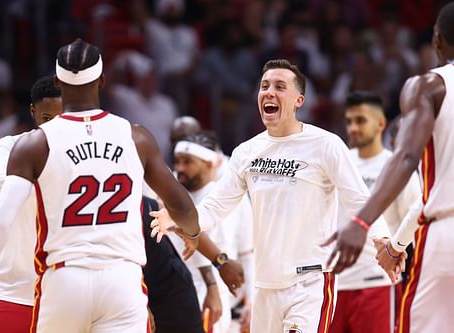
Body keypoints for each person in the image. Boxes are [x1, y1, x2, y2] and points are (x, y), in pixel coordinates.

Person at [0, 38, 200, 332]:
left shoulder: (35, 144)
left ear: (59, 82)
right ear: (101, 80)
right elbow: (182, 205)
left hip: (64, 277)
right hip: (121, 279)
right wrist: (193, 231)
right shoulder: (135, 137)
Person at [152, 59, 387, 332]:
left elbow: (359, 199)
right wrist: (179, 217)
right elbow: (215, 207)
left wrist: (381, 237)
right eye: (264, 86)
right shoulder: (246, 152)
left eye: (279, 86)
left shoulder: (326, 145)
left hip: (308, 283)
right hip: (265, 286)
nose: (269, 92)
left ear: (299, 100)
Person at [327, 3, 454, 332]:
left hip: (446, 233)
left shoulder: (430, 85)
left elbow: (407, 158)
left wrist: (361, 222)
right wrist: (397, 244)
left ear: (437, 41)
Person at [0, 76, 62, 333]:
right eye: (46, 118)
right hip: (7, 293)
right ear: (33, 111)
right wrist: (50, 183)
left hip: (62, 297)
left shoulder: (80, 155)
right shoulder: (10, 146)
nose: (54, 127)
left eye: (61, 118)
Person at [329, 91, 420, 333]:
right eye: (349, 121)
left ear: (380, 124)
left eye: (360, 120)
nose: (353, 128)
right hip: (335, 283)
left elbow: (414, 219)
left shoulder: (398, 167)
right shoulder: (338, 161)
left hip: (378, 282)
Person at [172, 132, 254, 333]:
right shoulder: (171, 194)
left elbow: (248, 253)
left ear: (210, 164)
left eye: (188, 162)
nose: (179, 168)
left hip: (211, 295)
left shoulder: (233, 197)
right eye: (178, 161)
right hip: (174, 292)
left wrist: (252, 301)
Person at [141, 196, 204, 333]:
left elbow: (184, 216)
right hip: (133, 292)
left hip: (171, 290)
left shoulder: (142, 203)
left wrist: (219, 260)